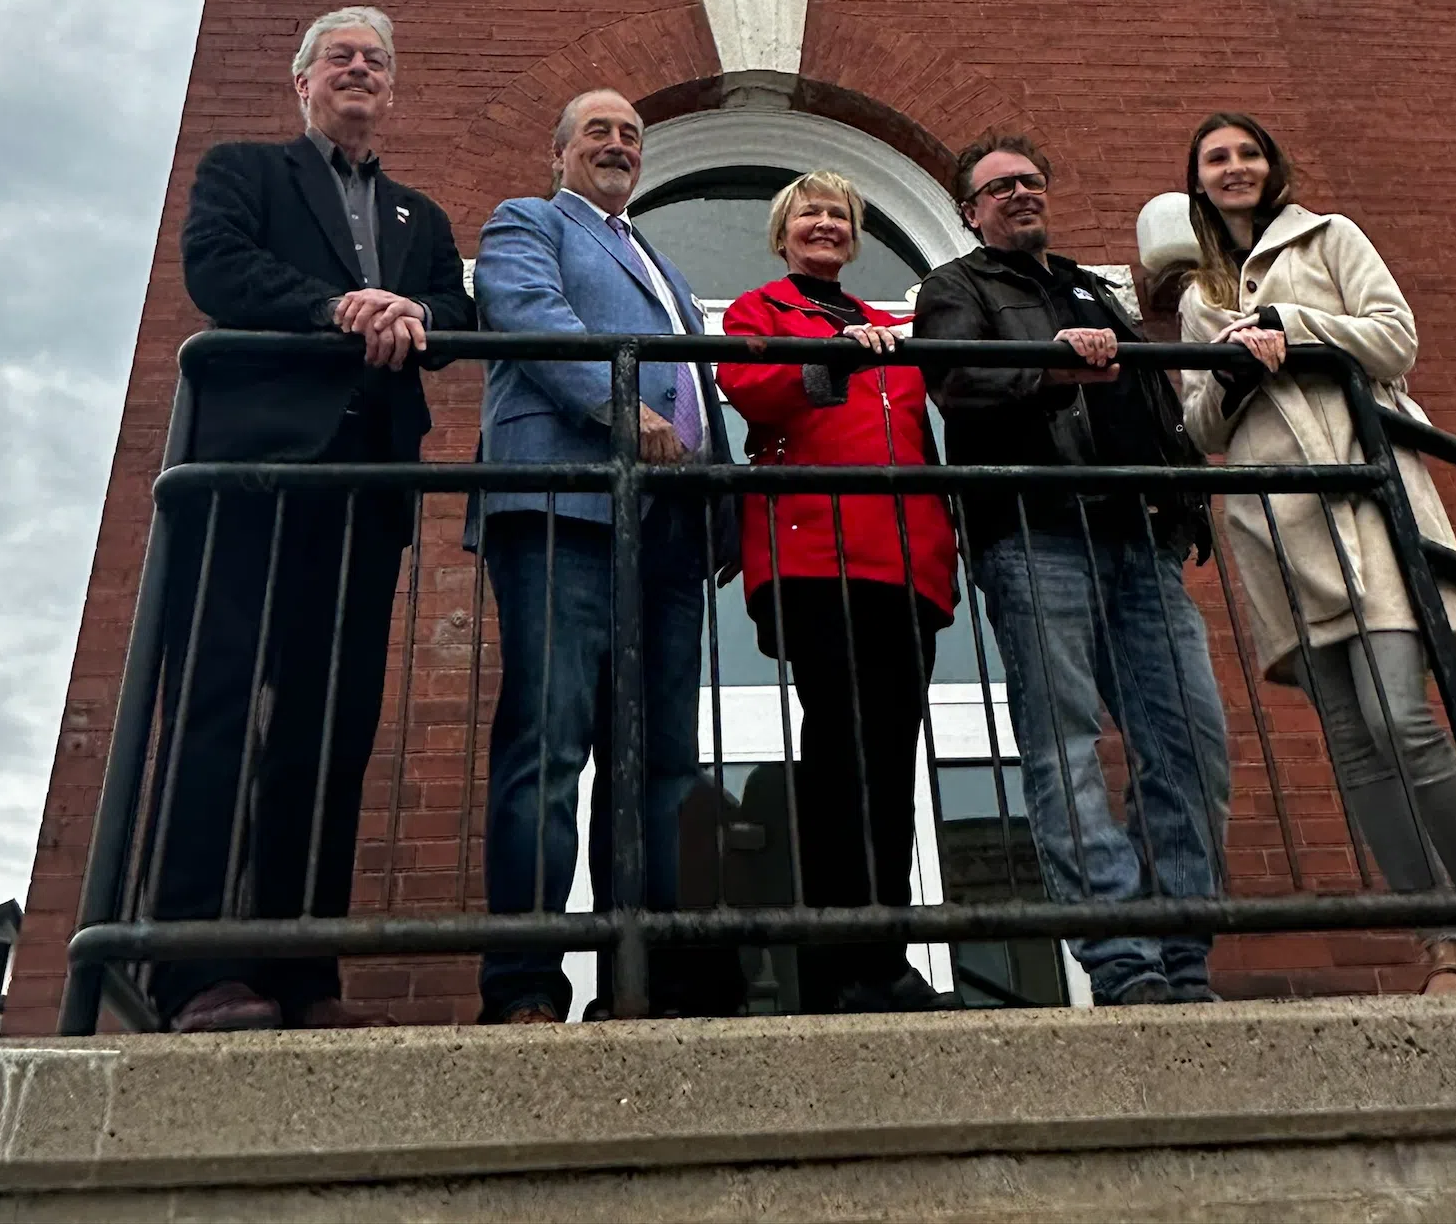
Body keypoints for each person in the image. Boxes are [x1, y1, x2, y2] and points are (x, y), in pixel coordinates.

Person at [154, 5, 473, 1033]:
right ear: (302, 80)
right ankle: (190, 965)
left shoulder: (421, 216)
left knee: (331, 725)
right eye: (339, 56)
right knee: (219, 702)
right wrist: (341, 307)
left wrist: (412, 314)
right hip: (251, 474)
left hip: (367, 485)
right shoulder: (243, 168)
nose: (359, 69)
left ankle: (301, 971)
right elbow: (217, 267)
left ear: (392, 89)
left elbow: (456, 319)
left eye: (376, 59)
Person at [1176, 112, 1456, 994]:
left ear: (1272, 166)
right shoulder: (1197, 296)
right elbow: (1198, 426)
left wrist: (1290, 326)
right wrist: (1235, 370)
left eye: (1248, 153)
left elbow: (1395, 339)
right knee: (1352, 746)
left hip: (1363, 506)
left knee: (1402, 721)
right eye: (1217, 159)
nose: (1235, 168)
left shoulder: (1329, 239)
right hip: (1275, 527)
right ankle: (1443, 944)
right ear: (1198, 181)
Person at [913, 130, 1230, 1007]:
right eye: (1000, 188)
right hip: (1037, 531)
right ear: (970, 213)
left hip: (1142, 539)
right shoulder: (957, 287)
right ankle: (1123, 961)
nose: (1021, 195)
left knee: (1191, 747)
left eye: (1031, 181)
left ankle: (1182, 954)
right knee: (1066, 751)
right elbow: (954, 381)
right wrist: (1055, 369)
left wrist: (1184, 499)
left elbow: (1152, 402)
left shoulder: (1091, 287)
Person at [470, 88, 738, 1024]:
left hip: (668, 527)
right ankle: (524, 984)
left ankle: (648, 980)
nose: (619, 145)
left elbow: (700, 390)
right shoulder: (528, 223)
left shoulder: (658, 258)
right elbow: (526, 312)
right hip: (564, 507)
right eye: (599, 132)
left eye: (631, 135)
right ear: (559, 152)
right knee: (547, 746)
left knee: (663, 760)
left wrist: (723, 505)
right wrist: (625, 406)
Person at [716, 172, 958, 1013]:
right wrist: (828, 358)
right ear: (784, 234)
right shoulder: (762, 309)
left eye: (840, 216)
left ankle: (884, 954)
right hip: (817, 553)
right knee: (836, 756)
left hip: (906, 559)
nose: (826, 225)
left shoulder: (893, 321)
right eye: (809, 214)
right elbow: (748, 389)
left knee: (890, 760)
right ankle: (831, 963)